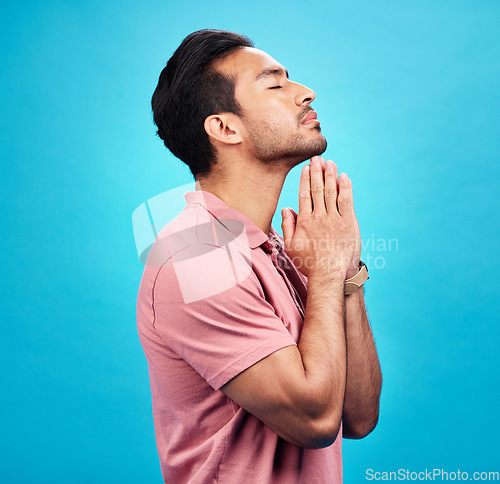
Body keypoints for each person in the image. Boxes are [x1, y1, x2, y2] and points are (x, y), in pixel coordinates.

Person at [136, 29, 382, 483]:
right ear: (225, 128)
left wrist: (345, 272)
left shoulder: (283, 249)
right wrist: (327, 272)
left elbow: (359, 417)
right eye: (275, 84)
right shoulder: (196, 257)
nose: (306, 92)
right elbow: (315, 421)